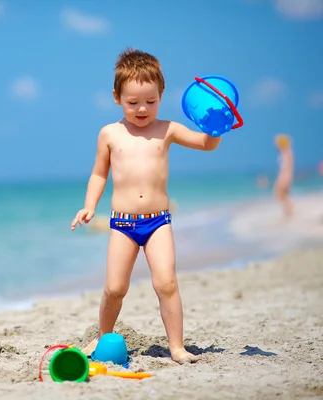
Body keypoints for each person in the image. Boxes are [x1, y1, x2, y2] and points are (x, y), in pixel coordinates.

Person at [70, 48, 223, 365]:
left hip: (158, 222)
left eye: (150, 102)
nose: (142, 109)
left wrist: (216, 126)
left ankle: (177, 347)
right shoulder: (110, 134)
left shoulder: (168, 129)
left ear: (161, 95)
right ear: (116, 97)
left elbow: (206, 144)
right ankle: (103, 338)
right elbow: (99, 173)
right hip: (122, 224)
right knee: (114, 288)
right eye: (132, 102)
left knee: (166, 283)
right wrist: (89, 206)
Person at [273, 133, 294, 218]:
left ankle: (289, 212)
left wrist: (283, 178)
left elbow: (286, 167)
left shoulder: (286, 152)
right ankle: (288, 212)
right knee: (284, 195)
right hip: (286, 176)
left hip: (285, 176)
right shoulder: (286, 152)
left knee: (280, 194)